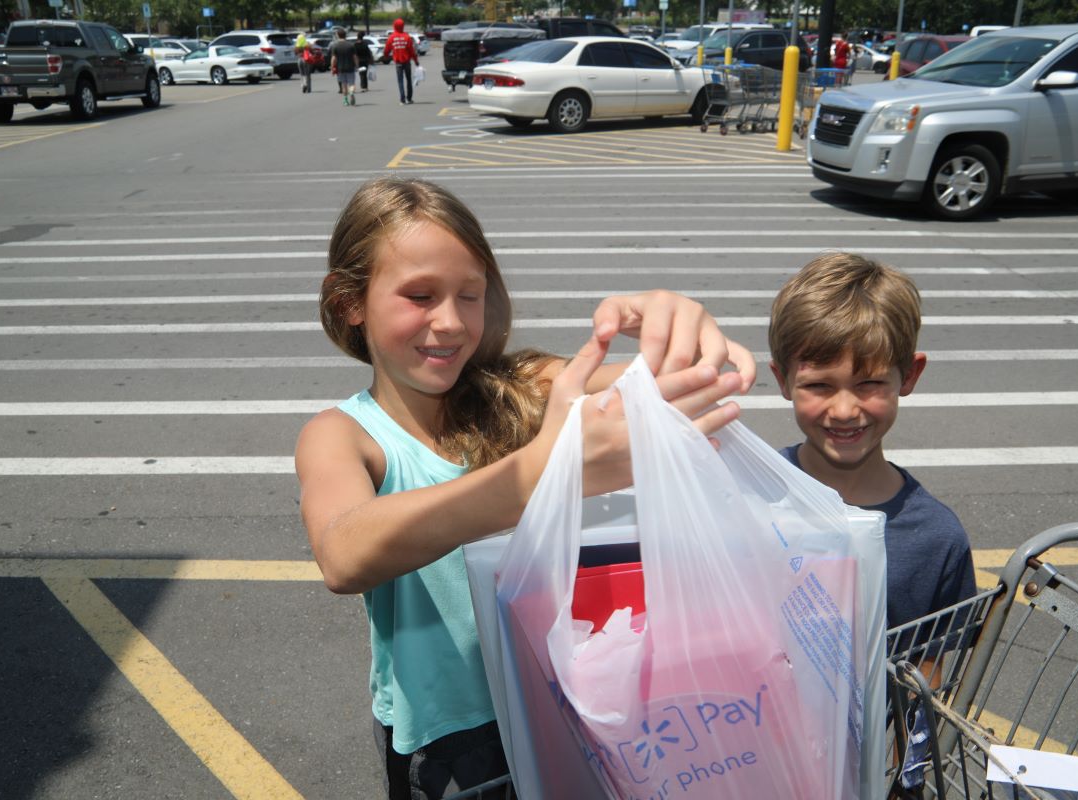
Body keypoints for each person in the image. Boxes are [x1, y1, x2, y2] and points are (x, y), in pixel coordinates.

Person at [296, 177, 754, 799]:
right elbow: (345, 552)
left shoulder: (521, 388)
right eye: (420, 295)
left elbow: (664, 381)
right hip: (451, 737)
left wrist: (678, 325)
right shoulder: (345, 435)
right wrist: (538, 472)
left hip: (565, 698)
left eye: (470, 295)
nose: (451, 322)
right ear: (350, 301)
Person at [767, 252, 975, 633]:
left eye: (870, 383)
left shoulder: (936, 537)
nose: (844, 410)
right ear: (782, 381)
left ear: (909, 375)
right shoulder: (749, 502)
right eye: (818, 386)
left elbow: (927, 678)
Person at [383, 18, 419, 105]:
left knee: (400, 81)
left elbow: (387, 49)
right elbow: (412, 51)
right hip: (407, 62)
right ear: (403, 26)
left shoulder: (391, 37)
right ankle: (409, 98)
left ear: (394, 26)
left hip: (398, 62)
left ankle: (402, 100)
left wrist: (386, 56)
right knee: (408, 80)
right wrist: (416, 61)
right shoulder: (407, 37)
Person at [330, 27, 358, 106]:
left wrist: (332, 68)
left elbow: (333, 59)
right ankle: (352, 92)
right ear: (345, 35)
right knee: (351, 83)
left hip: (340, 68)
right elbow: (355, 57)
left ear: (338, 35)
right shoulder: (351, 45)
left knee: (344, 84)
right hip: (350, 67)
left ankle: (345, 100)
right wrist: (357, 65)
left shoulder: (335, 46)